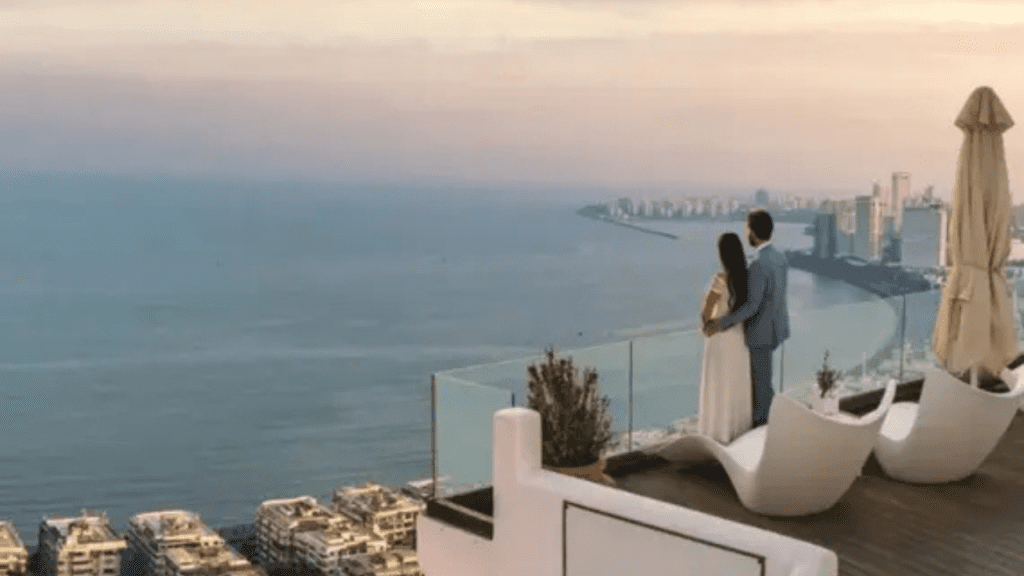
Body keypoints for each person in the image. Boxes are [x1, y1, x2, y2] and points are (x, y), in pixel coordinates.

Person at [704, 209, 790, 428]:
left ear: (753, 232)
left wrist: (722, 323)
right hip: (776, 328)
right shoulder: (780, 258)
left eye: (747, 228)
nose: (746, 233)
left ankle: (764, 433)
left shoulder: (759, 265)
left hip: (760, 333)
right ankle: (776, 423)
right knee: (765, 383)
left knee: (760, 387)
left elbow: (752, 306)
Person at [697, 232, 753, 444]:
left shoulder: (721, 279)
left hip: (719, 339)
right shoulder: (746, 279)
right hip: (739, 340)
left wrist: (706, 325)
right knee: (736, 385)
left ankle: (716, 433)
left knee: (718, 386)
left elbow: (707, 310)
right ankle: (737, 434)